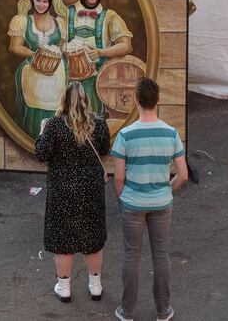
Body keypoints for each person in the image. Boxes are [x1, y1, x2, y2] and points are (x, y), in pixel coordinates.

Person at [112, 76, 187, 321]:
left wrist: (123, 196)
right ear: (158, 100)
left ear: (135, 100)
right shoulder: (171, 133)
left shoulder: (125, 135)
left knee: (131, 255)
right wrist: (168, 189)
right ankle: (163, 311)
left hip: (133, 202)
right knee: (161, 255)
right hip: (161, 202)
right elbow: (183, 175)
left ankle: (127, 311)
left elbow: (119, 178)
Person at [35, 83, 109, 304]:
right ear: (87, 100)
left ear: (64, 101)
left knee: (63, 240)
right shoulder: (100, 125)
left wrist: (41, 132)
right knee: (92, 238)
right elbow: (104, 150)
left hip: (62, 191)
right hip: (91, 190)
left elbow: (42, 154)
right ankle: (95, 286)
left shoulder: (54, 126)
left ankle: (64, 287)